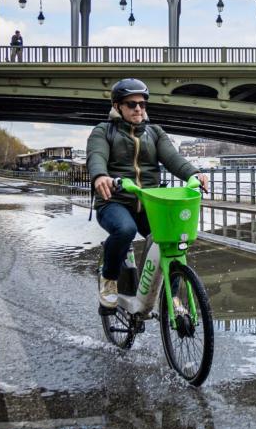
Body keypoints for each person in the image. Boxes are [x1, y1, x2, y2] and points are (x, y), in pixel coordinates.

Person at [87, 78, 208, 307]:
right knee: (125, 229)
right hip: (115, 201)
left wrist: (194, 174)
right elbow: (97, 156)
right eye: (131, 104)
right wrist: (100, 176)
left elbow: (173, 159)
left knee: (171, 239)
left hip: (150, 203)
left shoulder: (155, 133)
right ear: (117, 106)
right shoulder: (103, 131)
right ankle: (109, 278)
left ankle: (170, 295)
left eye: (142, 104)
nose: (138, 109)